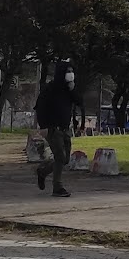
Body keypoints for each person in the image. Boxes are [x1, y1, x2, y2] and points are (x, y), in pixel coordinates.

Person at [33, 61, 82, 197]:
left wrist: (73, 90)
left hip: (65, 128)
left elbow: (79, 102)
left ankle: (43, 171)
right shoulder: (50, 89)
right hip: (53, 128)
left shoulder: (69, 90)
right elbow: (40, 108)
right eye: (68, 71)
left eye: (72, 71)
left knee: (65, 159)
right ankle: (57, 187)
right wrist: (43, 127)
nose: (70, 74)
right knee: (60, 156)